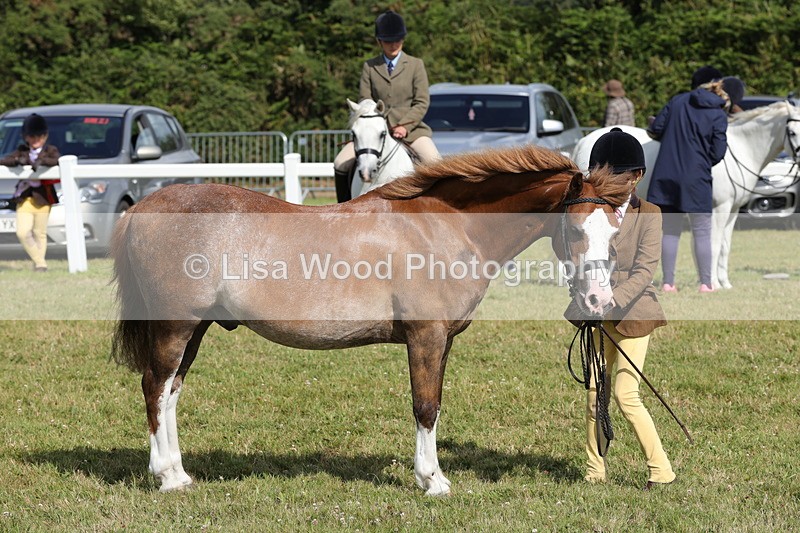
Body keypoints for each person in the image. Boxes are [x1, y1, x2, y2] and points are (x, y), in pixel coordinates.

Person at [566, 127, 675, 490]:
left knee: (626, 395)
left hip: (633, 313)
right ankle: (594, 470)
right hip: (596, 315)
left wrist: (615, 295)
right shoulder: (595, 211)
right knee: (594, 393)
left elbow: (646, 269)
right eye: (601, 175)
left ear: (637, 177)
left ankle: (661, 470)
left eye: (617, 176)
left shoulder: (651, 213)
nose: (608, 183)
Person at [333, 10, 440, 202]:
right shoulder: (370, 66)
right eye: (388, 40)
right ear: (379, 41)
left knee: (435, 162)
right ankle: (342, 208)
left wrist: (404, 126)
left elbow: (422, 101)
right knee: (340, 162)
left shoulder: (416, 65)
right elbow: (365, 99)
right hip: (373, 132)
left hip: (412, 130)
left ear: (403, 39)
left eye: (397, 40)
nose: (393, 44)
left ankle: (437, 212)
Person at [646, 77, 728, 293]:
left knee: (670, 231)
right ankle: (706, 283)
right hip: (697, 179)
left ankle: (668, 283)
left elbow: (658, 127)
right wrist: (701, 162)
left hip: (666, 174)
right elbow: (718, 152)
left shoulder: (678, 101)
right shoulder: (718, 114)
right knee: (701, 231)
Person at [0, 114, 61, 272]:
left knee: (39, 232)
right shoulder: (22, 151)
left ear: (45, 136)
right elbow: (5, 159)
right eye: (32, 136)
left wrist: (41, 162)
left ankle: (39, 265)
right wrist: (17, 161)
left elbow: (56, 160)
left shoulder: (50, 150)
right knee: (22, 232)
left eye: (39, 136)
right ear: (26, 137)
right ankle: (40, 262)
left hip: (43, 198)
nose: (35, 140)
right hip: (25, 197)